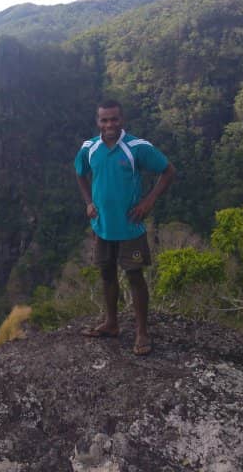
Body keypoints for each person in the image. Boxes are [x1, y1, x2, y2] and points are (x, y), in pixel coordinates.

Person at [74, 100, 175, 355]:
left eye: (114, 119)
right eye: (104, 120)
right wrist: (88, 203)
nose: (109, 124)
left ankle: (142, 332)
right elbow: (79, 173)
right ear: (97, 122)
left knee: (134, 276)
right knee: (107, 275)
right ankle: (111, 323)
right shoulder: (90, 148)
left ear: (122, 119)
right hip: (102, 226)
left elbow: (168, 171)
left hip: (130, 226)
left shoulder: (136, 148)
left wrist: (148, 202)